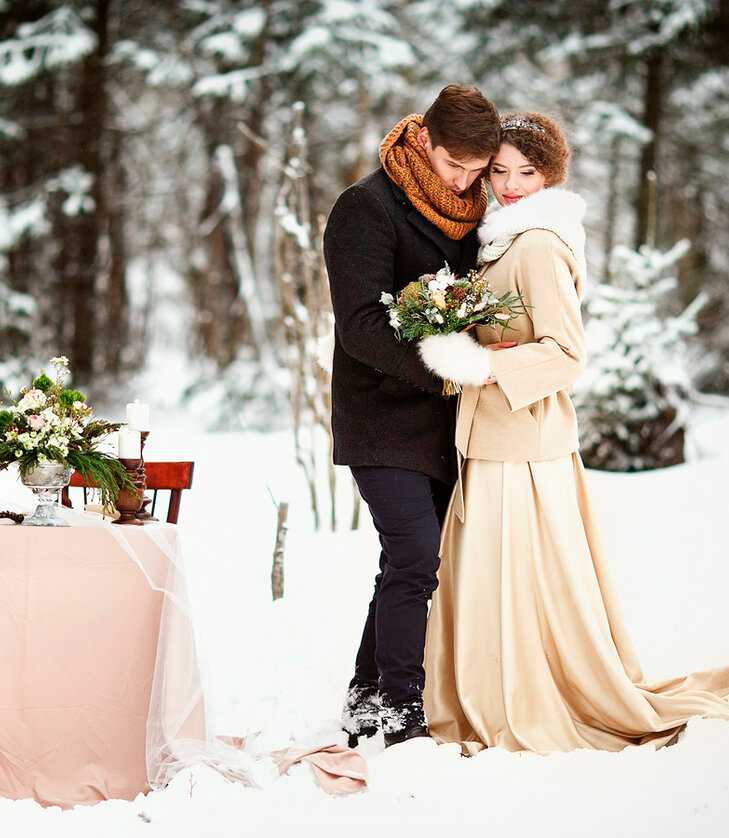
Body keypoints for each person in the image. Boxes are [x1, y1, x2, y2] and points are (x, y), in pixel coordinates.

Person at [418, 112, 729, 754]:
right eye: (500, 172)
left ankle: (521, 696)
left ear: (551, 175)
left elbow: (567, 355)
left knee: (516, 581)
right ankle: (491, 687)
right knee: (498, 579)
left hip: (523, 445)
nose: (511, 185)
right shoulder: (501, 241)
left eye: (527, 172)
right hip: (493, 437)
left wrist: (480, 363)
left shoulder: (538, 243)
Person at [323, 85, 502, 747]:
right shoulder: (365, 207)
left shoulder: (475, 216)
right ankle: (402, 714)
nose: (464, 182)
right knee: (415, 558)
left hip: (445, 423)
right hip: (379, 417)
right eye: (455, 165)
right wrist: (447, 368)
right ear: (424, 138)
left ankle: (364, 697)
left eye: (477, 172)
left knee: (402, 563)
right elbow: (361, 327)